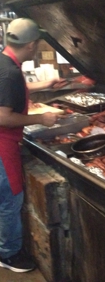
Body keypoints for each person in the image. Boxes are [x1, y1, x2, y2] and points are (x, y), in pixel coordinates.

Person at [0, 18, 64, 273]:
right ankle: (9, 254)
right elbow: (2, 116)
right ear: (31, 45)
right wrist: (41, 118)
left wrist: (44, 85)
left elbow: (15, 91)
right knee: (10, 201)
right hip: (2, 146)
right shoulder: (9, 72)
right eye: (37, 44)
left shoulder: (4, 63)